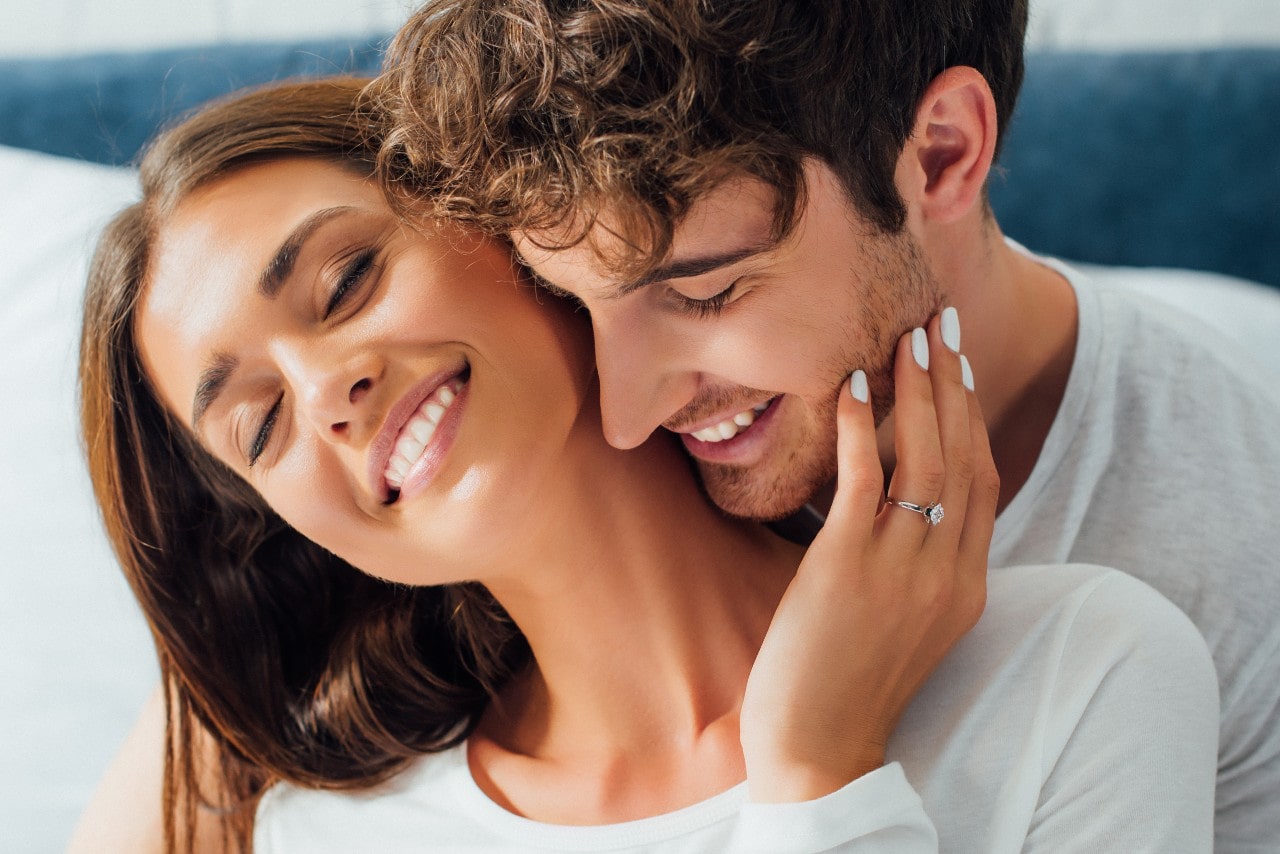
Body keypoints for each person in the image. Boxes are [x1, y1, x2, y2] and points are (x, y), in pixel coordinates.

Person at [70, 78, 1217, 852]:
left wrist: (817, 773)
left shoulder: (1082, 668)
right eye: (259, 424)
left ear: (516, 216)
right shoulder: (338, 833)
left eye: (345, 280)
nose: (326, 395)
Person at [375, 2, 1280, 848]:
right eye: (571, 300)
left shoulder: (1233, 568)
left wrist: (817, 773)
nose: (622, 418)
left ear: (941, 155)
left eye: (704, 293)